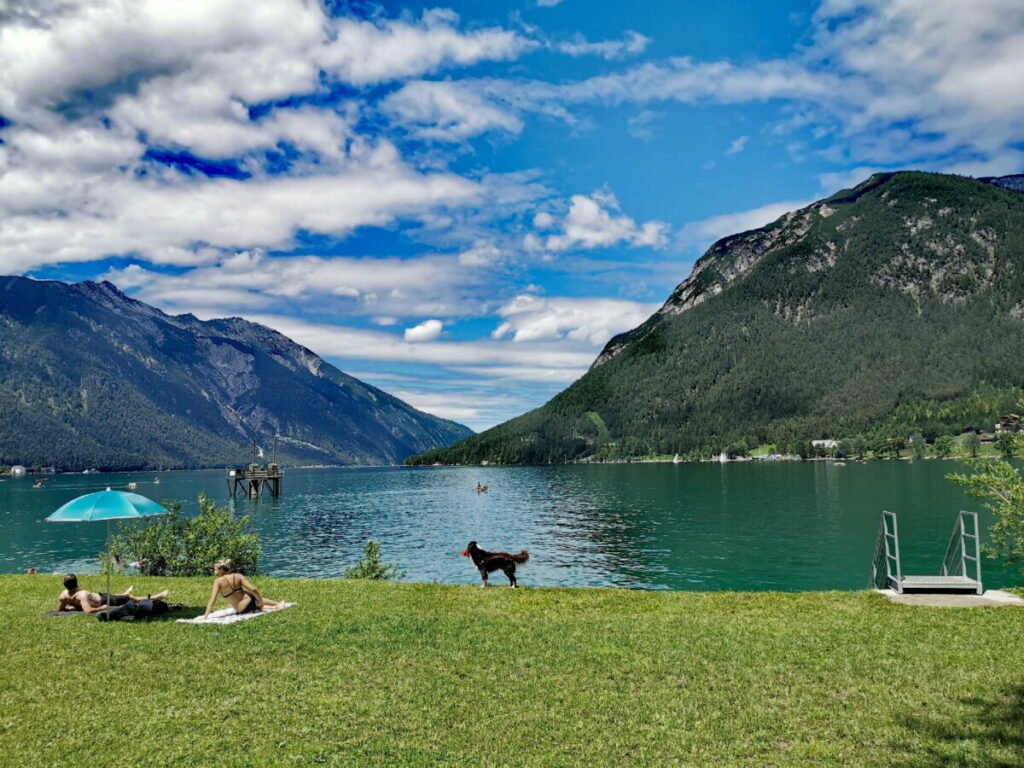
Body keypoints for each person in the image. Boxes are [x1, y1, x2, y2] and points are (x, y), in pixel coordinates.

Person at [204, 558, 285, 617]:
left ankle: (274, 605)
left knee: (255, 601)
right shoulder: (238, 576)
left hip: (242, 610)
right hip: (250, 601)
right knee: (255, 598)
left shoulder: (217, 582)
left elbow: (213, 600)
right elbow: (253, 589)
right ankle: (276, 605)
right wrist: (260, 600)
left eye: (215, 569)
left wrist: (205, 616)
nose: (214, 571)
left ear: (221, 570)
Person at [57, 573, 170, 614]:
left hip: (102, 596)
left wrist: (74, 607)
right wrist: (101, 608)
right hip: (103, 601)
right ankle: (155, 597)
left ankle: (123, 594)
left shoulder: (63, 595)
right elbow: (88, 611)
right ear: (76, 582)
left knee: (116, 595)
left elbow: (61, 610)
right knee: (130, 598)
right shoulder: (81, 595)